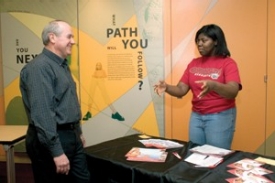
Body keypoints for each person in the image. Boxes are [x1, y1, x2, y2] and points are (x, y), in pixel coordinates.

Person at [20, 20, 90, 183]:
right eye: (69, 36)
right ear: (52, 38)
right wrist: (57, 152)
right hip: (51, 139)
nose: (73, 41)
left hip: (70, 136)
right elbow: (43, 114)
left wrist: (77, 133)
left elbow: (67, 102)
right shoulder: (39, 68)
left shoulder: (61, 65)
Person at [154, 24, 242, 149]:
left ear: (216, 41)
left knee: (215, 156)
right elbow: (181, 90)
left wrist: (214, 85)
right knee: (195, 154)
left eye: (204, 40)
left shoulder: (228, 63)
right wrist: (167, 87)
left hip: (220, 116)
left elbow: (233, 91)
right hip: (197, 116)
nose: (199, 44)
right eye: (198, 41)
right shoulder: (194, 63)